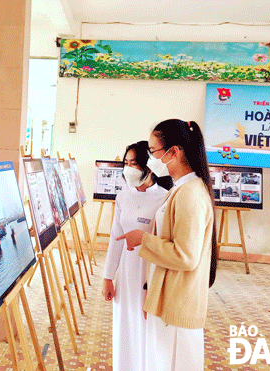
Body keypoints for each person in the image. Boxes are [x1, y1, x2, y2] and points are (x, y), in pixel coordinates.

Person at [117, 119, 218, 371]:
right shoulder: (180, 189)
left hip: (177, 303)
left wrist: (143, 240)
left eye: (154, 152)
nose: (151, 160)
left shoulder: (191, 194)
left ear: (175, 151)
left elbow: (186, 256)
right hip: (169, 299)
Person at [102, 141, 171, 371]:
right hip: (126, 275)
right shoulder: (123, 197)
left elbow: (165, 242)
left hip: (149, 276)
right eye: (126, 163)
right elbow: (115, 238)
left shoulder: (164, 198)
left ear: (148, 167)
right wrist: (108, 277)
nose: (128, 168)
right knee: (125, 329)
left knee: (147, 331)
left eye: (134, 163)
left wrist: (153, 286)